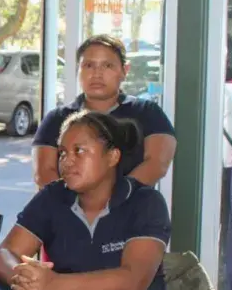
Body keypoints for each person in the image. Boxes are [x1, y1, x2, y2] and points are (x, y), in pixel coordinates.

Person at [0, 111, 172, 290]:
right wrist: (23, 279)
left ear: (112, 157)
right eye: (62, 153)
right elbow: (5, 252)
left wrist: (53, 284)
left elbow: (134, 279)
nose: (66, 161)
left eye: (79, 151)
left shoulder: (145, 202)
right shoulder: (53, 197)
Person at [33, 34, 176, 188]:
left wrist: (116, 197)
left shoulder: (147, 113)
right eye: (89, 65)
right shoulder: (57, 118)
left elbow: (157, 164)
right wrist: (75, 201)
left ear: (124, 70)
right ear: (78, 70)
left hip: (133, 202)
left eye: (107, 66)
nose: (97, 74)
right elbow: (44, 173)